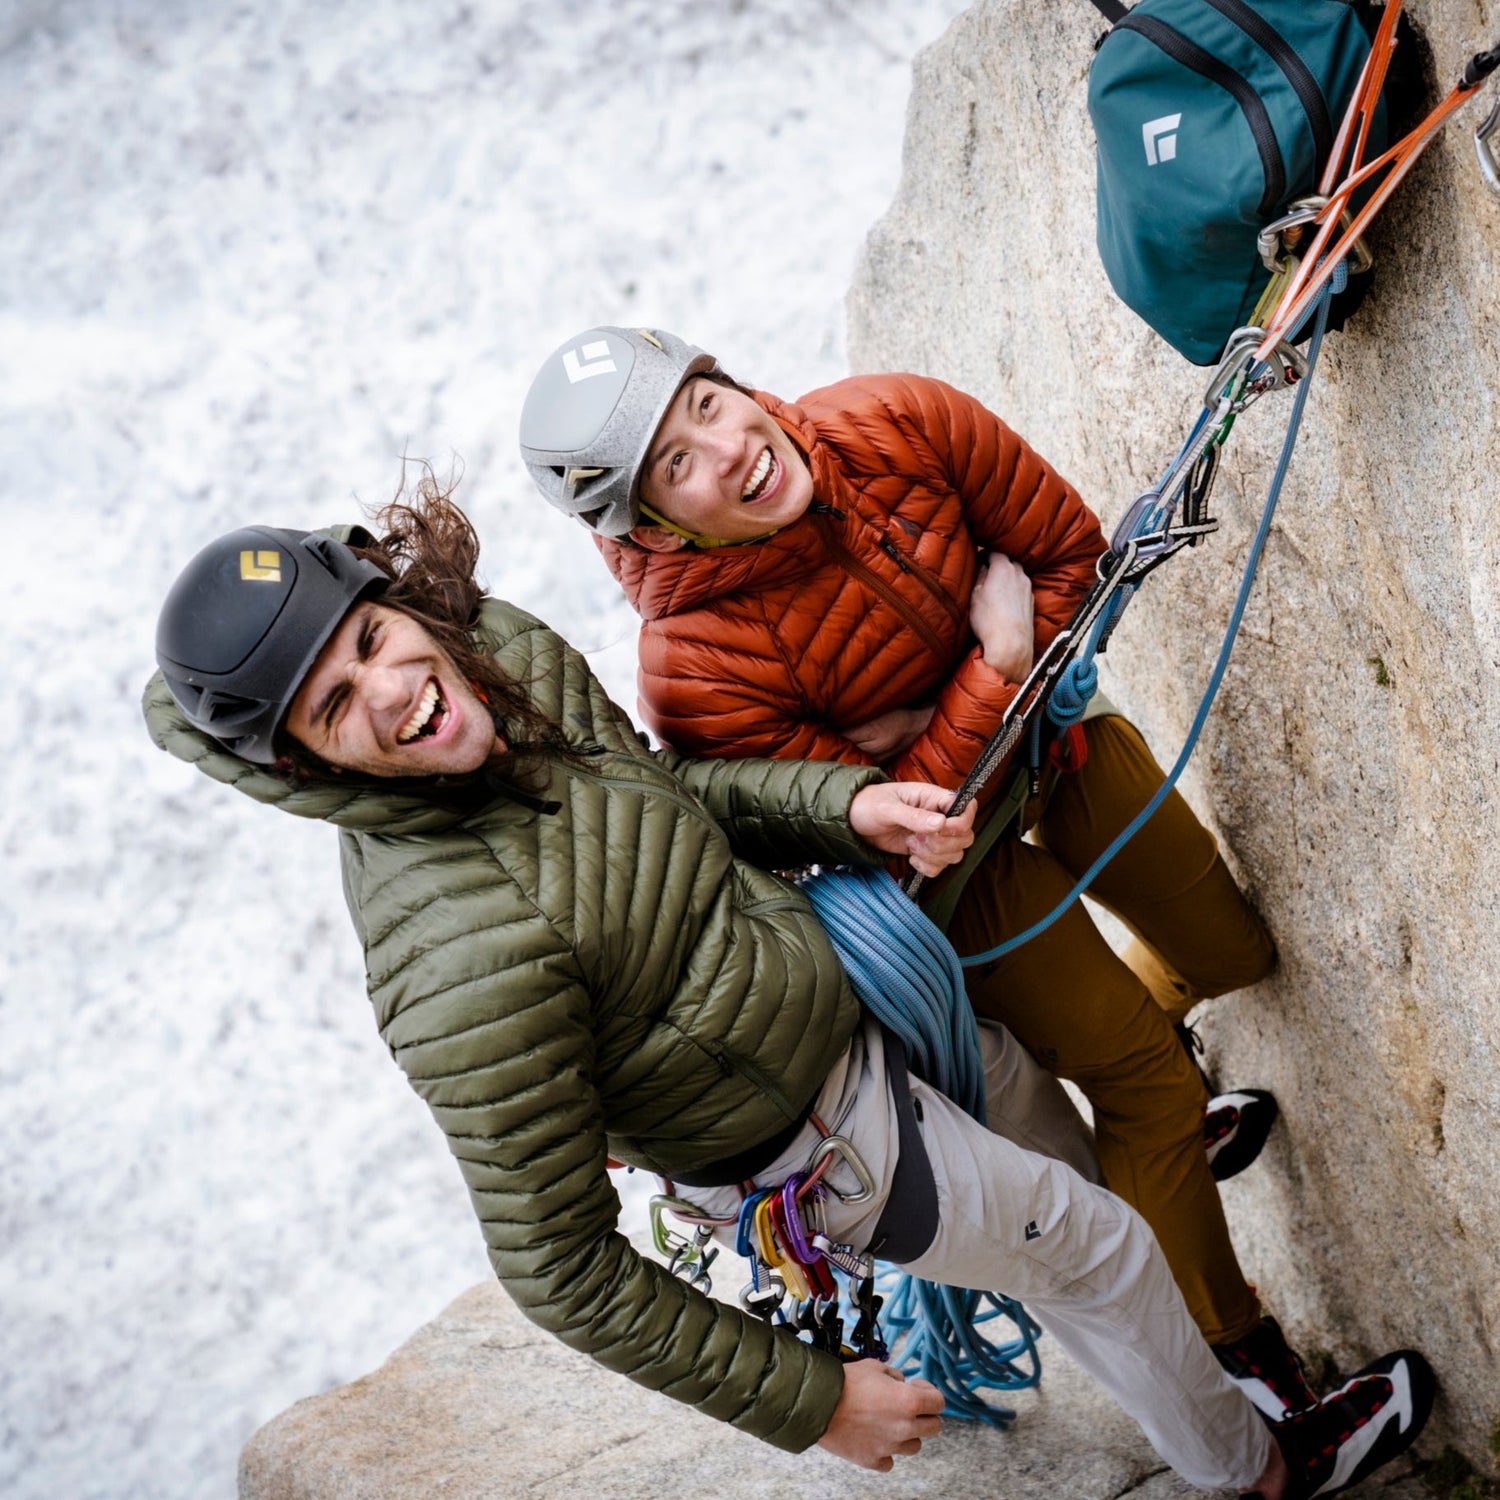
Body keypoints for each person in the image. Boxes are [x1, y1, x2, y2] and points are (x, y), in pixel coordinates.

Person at [143, 485, 1432, 1498]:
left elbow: (662, 807)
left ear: (394, 598)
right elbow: (556, 1266)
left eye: (374, 638)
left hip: (844, 997)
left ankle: (1194, 1396)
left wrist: (847, 807)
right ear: (305, 765)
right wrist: (810, 1407)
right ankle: (1262, 1468)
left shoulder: (503, 661)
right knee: (1091, 1243)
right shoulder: (449, 959)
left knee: (1075, 1213)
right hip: (806, 1145)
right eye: (335, 705)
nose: (396, 691)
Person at [521, 325, 1288, 1383]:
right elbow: (894, 834)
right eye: (676, 464)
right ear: (650, 525)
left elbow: (1072, 558)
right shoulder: (693, 668)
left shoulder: (895, 419)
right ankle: (1239, 1357)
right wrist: (998, 660)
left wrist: (930, 726)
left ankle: (1142, 1148)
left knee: (1232, 952)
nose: (729, 446)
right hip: (956, 880)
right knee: (1149, 1084)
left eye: (704, 405)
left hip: (1057, 748)